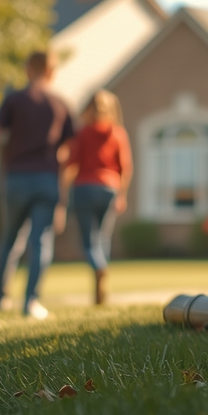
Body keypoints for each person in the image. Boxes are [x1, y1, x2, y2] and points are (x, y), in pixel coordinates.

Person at [0, 51, 74, 320]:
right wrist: (63, 198)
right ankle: (31, 302)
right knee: (41, 240)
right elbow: (67, 153)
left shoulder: (14, 100)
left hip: (17, 178)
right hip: (47, 180)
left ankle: (0, 296)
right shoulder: (61, 104)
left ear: (28, 70)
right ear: (52, 72)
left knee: (10, 238)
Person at [62, 90, 132, 305]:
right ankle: (99, 290)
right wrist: (122, 194)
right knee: (102, 238)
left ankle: (99, 268)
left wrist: (63, 193)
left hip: (84, 188)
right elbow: (126, 168)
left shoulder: (83, 133)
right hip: (109, 187)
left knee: (89, 241)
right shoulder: (118, 133)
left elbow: (70, 164)